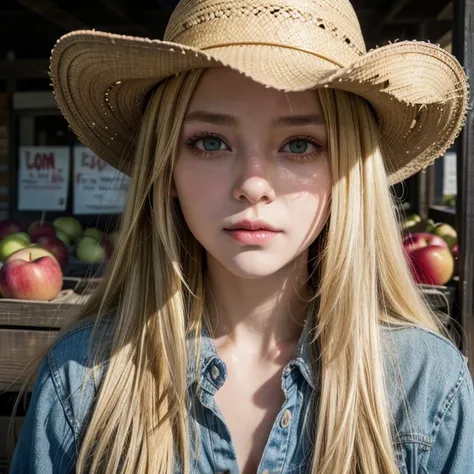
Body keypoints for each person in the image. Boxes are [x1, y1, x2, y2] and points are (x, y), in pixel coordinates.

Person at [9, 0, 474, 473]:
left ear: (347, 171)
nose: (253, 183)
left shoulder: (427, 387)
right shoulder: (82, 384)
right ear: (167, 166)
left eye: (299, 144)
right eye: (210, 141)